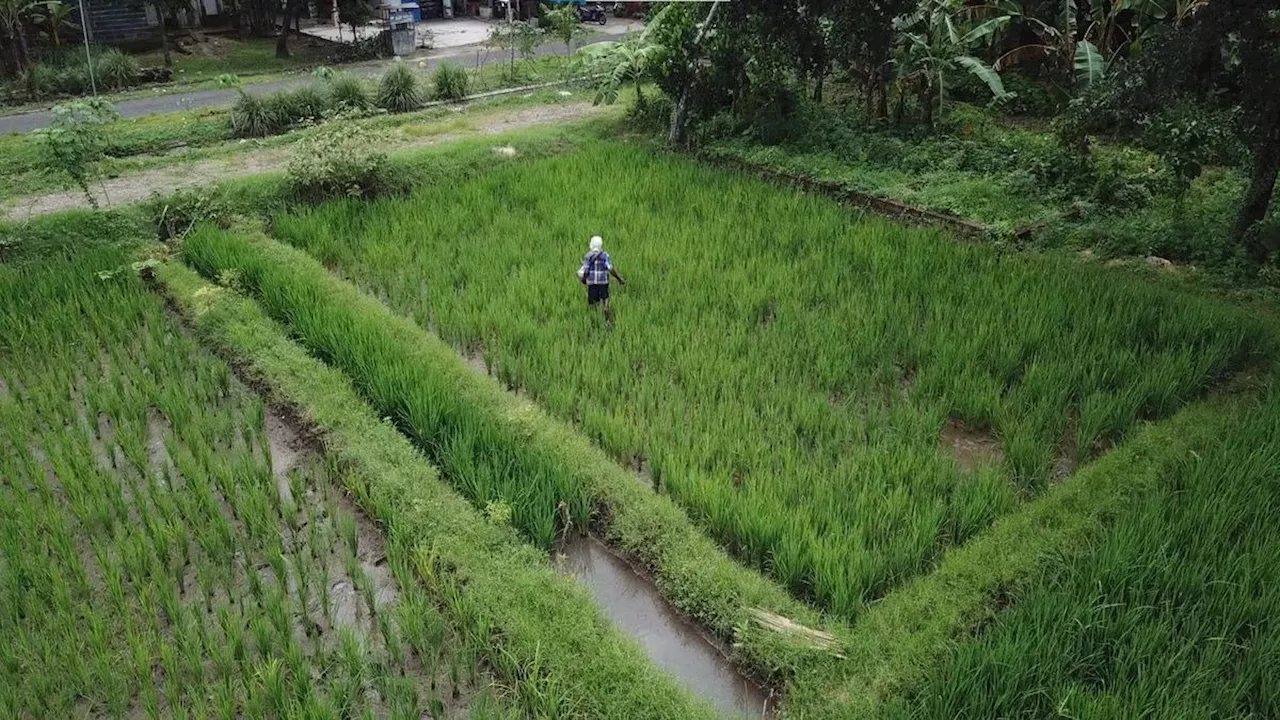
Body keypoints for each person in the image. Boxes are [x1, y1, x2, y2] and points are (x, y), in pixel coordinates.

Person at [577, 235, 625, 328]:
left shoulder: (588, 256)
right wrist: (619, 279)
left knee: (593, 305)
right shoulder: (605, 255)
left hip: (592, 284)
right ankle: (608, 324)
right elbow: (610, 268)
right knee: (605, 302)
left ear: (591, 245)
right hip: (603, 283)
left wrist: (583, 281)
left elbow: (585, 271)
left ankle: (594, 324)